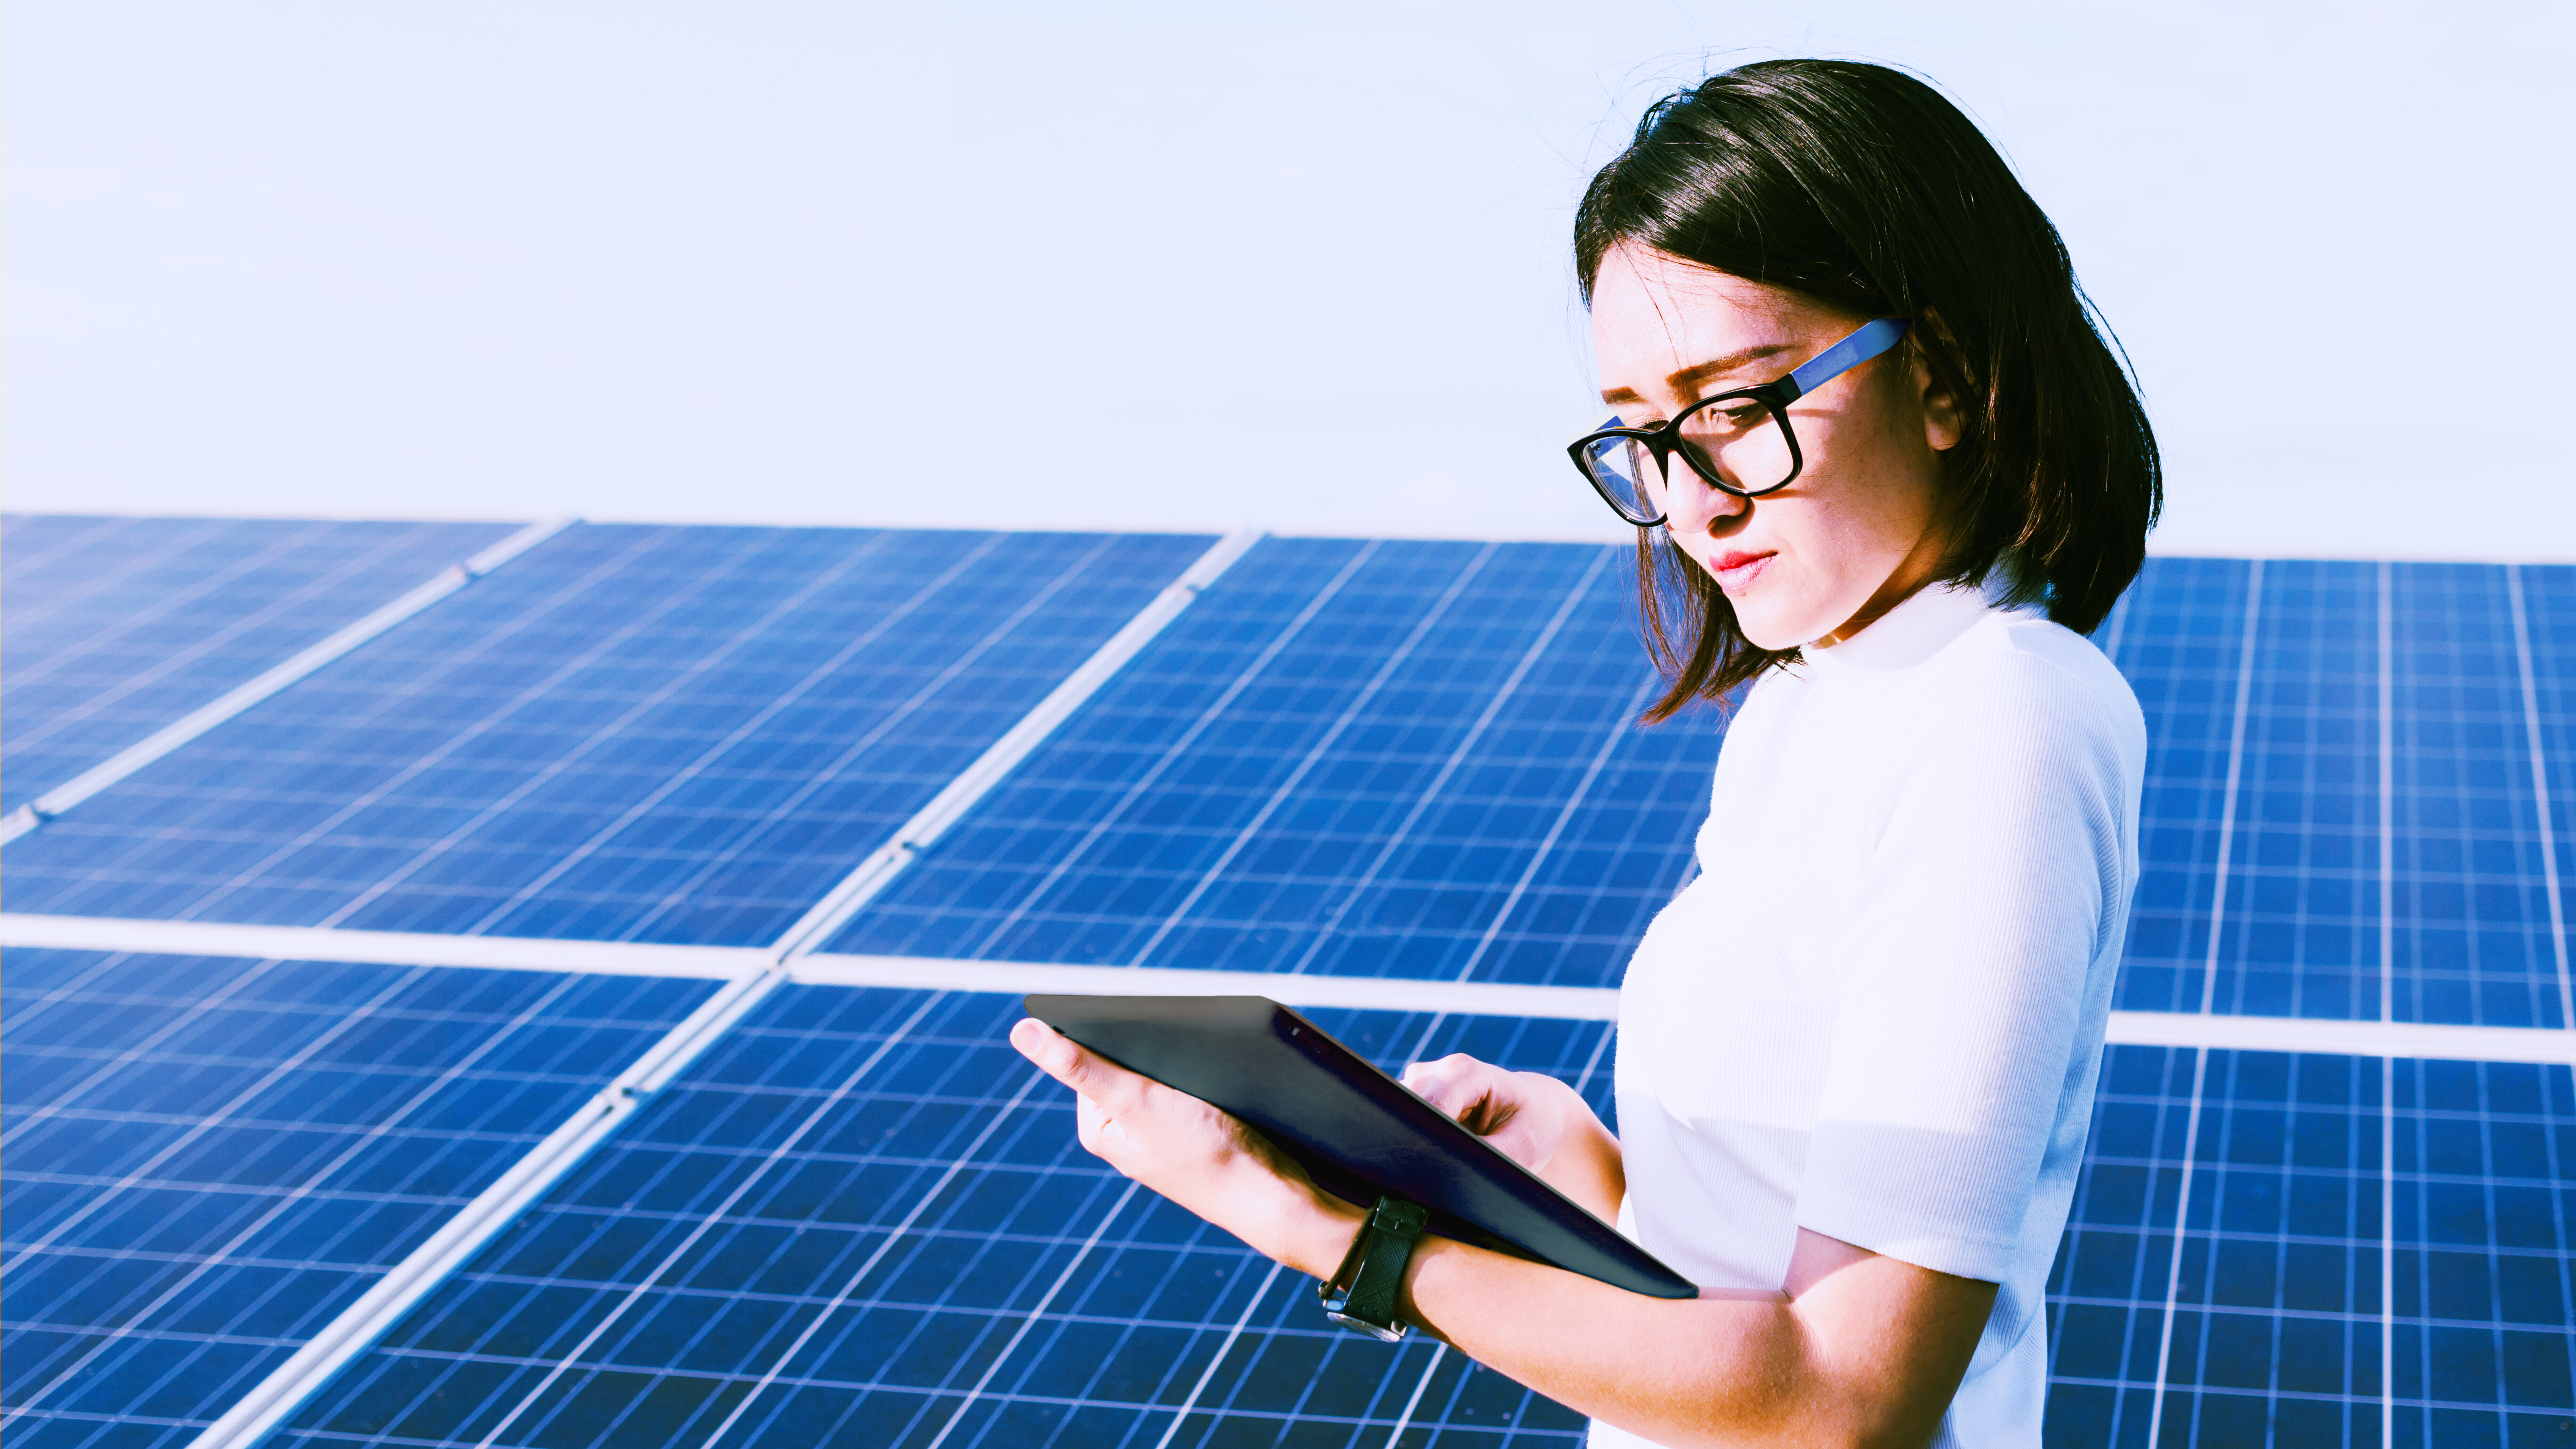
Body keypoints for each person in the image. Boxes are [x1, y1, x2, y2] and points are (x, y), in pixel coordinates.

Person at [1011, 57, 2154, 1449]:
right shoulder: (1819, 705)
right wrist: (1587, 1171)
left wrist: (1312, 1225)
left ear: (1947, 380)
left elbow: (1842, 1401)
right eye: (1641, 434)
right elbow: (1745, 1270)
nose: (1690, 500)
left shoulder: (2001, 717)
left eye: (1735, 406)